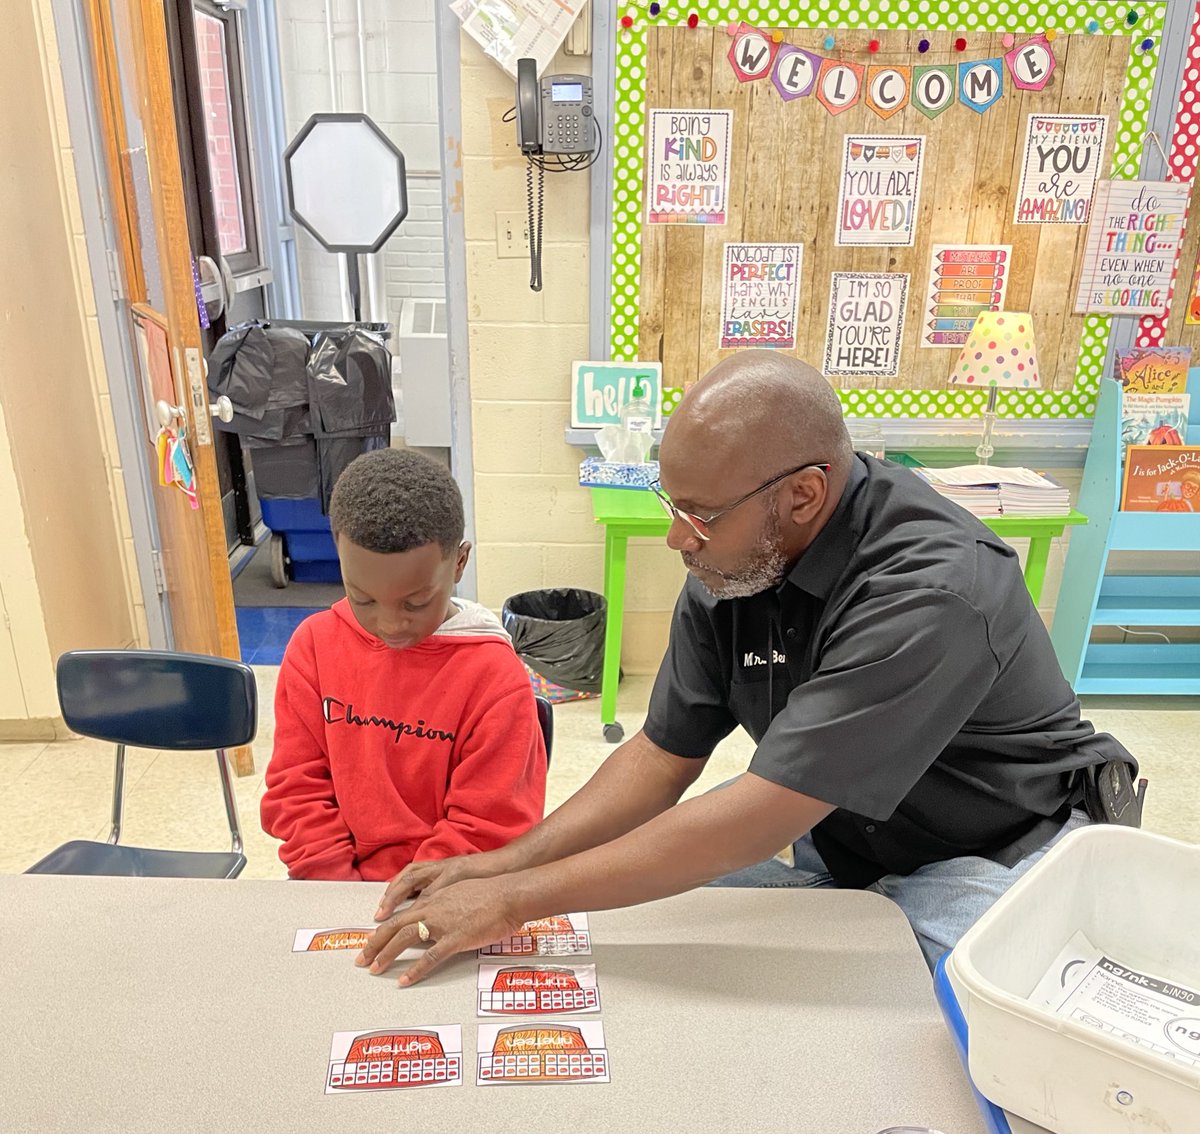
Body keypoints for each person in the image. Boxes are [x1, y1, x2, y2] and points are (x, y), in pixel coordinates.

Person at [357, 352, 1136, 982]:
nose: (676, 538)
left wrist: (513, 900)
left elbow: (765, 812)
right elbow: (660, 758)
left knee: (946, 1030)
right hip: (849, 847)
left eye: (697, 516)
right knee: (657, 938)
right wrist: (502, 867)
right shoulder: (732, 565)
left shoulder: (932, 590)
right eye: (672, 506)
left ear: (803, 495)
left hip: (997, 852)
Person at [260, 448, 547, 881]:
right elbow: (297, 788)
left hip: (447, 887)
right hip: (333, 887)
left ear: (459, 563)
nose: (390, 625)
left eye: (416, 602)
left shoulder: (495, 678)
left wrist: (412, 898)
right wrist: (335, 887)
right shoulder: (314, 647)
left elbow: (488, 824)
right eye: (363, 599)